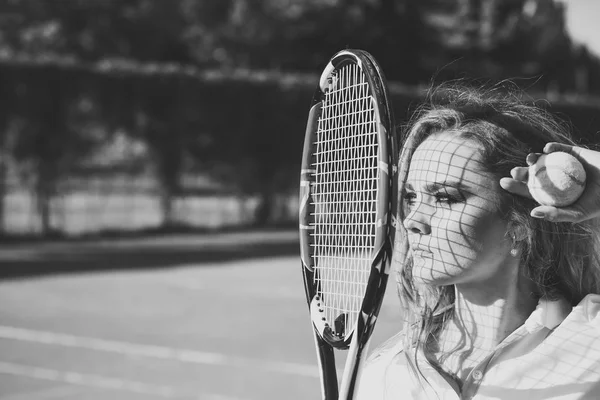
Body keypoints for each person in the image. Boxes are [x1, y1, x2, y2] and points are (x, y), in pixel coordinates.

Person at [356, 82, 600, 399]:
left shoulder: (592, 342)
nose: (412, 220)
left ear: (520, 226)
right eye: (411, 198)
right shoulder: (387, 371)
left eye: (445, 198)